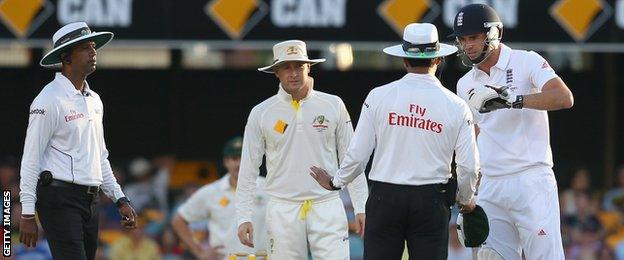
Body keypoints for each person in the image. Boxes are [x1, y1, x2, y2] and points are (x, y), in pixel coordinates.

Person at [310, 23, 479, 260]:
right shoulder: (457, 106)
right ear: (438, 60)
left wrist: (337, 182)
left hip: (385, 196)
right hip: (431, 199)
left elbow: (358, 153)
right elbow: (469, 166)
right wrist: (465, 200)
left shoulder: (379, 96)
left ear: (405, 60)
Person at [450, 4, 574, 259]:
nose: (468, 45)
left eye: (473, 37)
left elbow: (564, 97)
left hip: (531, 180)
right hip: (491, 184)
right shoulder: (465, 84)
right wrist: (468, 188)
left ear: (494, 33)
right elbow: (472, 134)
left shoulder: (526, 60)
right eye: (463, 39)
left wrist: (514, 100)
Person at [235, 40, 369, 259]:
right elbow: (249, 168)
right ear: (276, 72)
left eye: (299, 66)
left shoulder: (333, 104)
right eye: (287, 67)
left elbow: (351, 160)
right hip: (282, 208)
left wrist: (361, 206)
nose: (294, 73)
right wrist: (243, 217)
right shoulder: (262, 112)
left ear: (309, 67)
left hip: (326, 206)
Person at [19, 22, 137, 259]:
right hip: (58, 197)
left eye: (94, 46)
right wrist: (28, 213)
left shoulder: (94, 99)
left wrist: (119, 198)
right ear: (66, 57)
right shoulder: (48, 100)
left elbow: (100, 156)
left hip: (90, 200)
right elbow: (31, 158)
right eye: (85, 48)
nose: (93, 52)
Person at [171, 137, 268, 259]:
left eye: (243, 158)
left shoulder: (268, 188)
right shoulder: (212, 192)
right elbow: (178, 220)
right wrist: (200, 252)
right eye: (234, 159)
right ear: (226, 161)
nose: (239, 164)